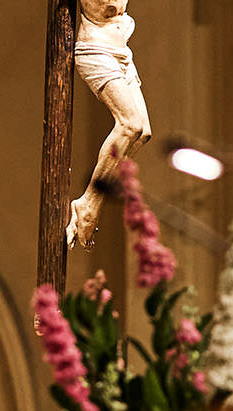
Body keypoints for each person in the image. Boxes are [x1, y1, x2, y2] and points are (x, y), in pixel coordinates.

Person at [67, 0, 152, 249]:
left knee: (143, 132)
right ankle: (89, 202)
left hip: (122, 52)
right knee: (130, 125)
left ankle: (98, 192)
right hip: (96, 50)